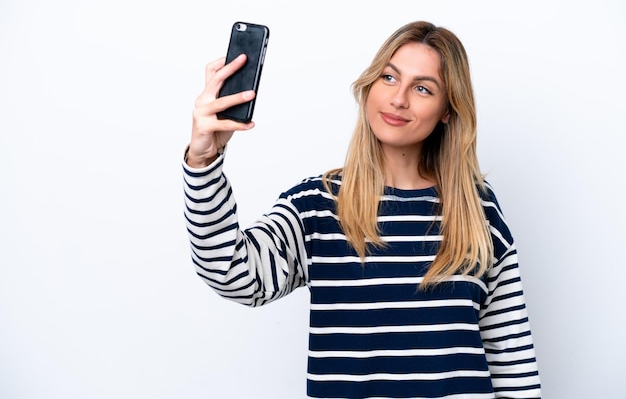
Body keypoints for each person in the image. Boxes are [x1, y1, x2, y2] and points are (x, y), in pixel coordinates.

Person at [183, 21, 542, 398]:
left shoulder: (477, 209)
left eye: (422, 88)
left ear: (448, 110)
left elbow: (512, 359)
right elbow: (232, 274)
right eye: (388, 77)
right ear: (369, 86)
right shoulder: (316, 207)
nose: (398, 99)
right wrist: (203, 161)